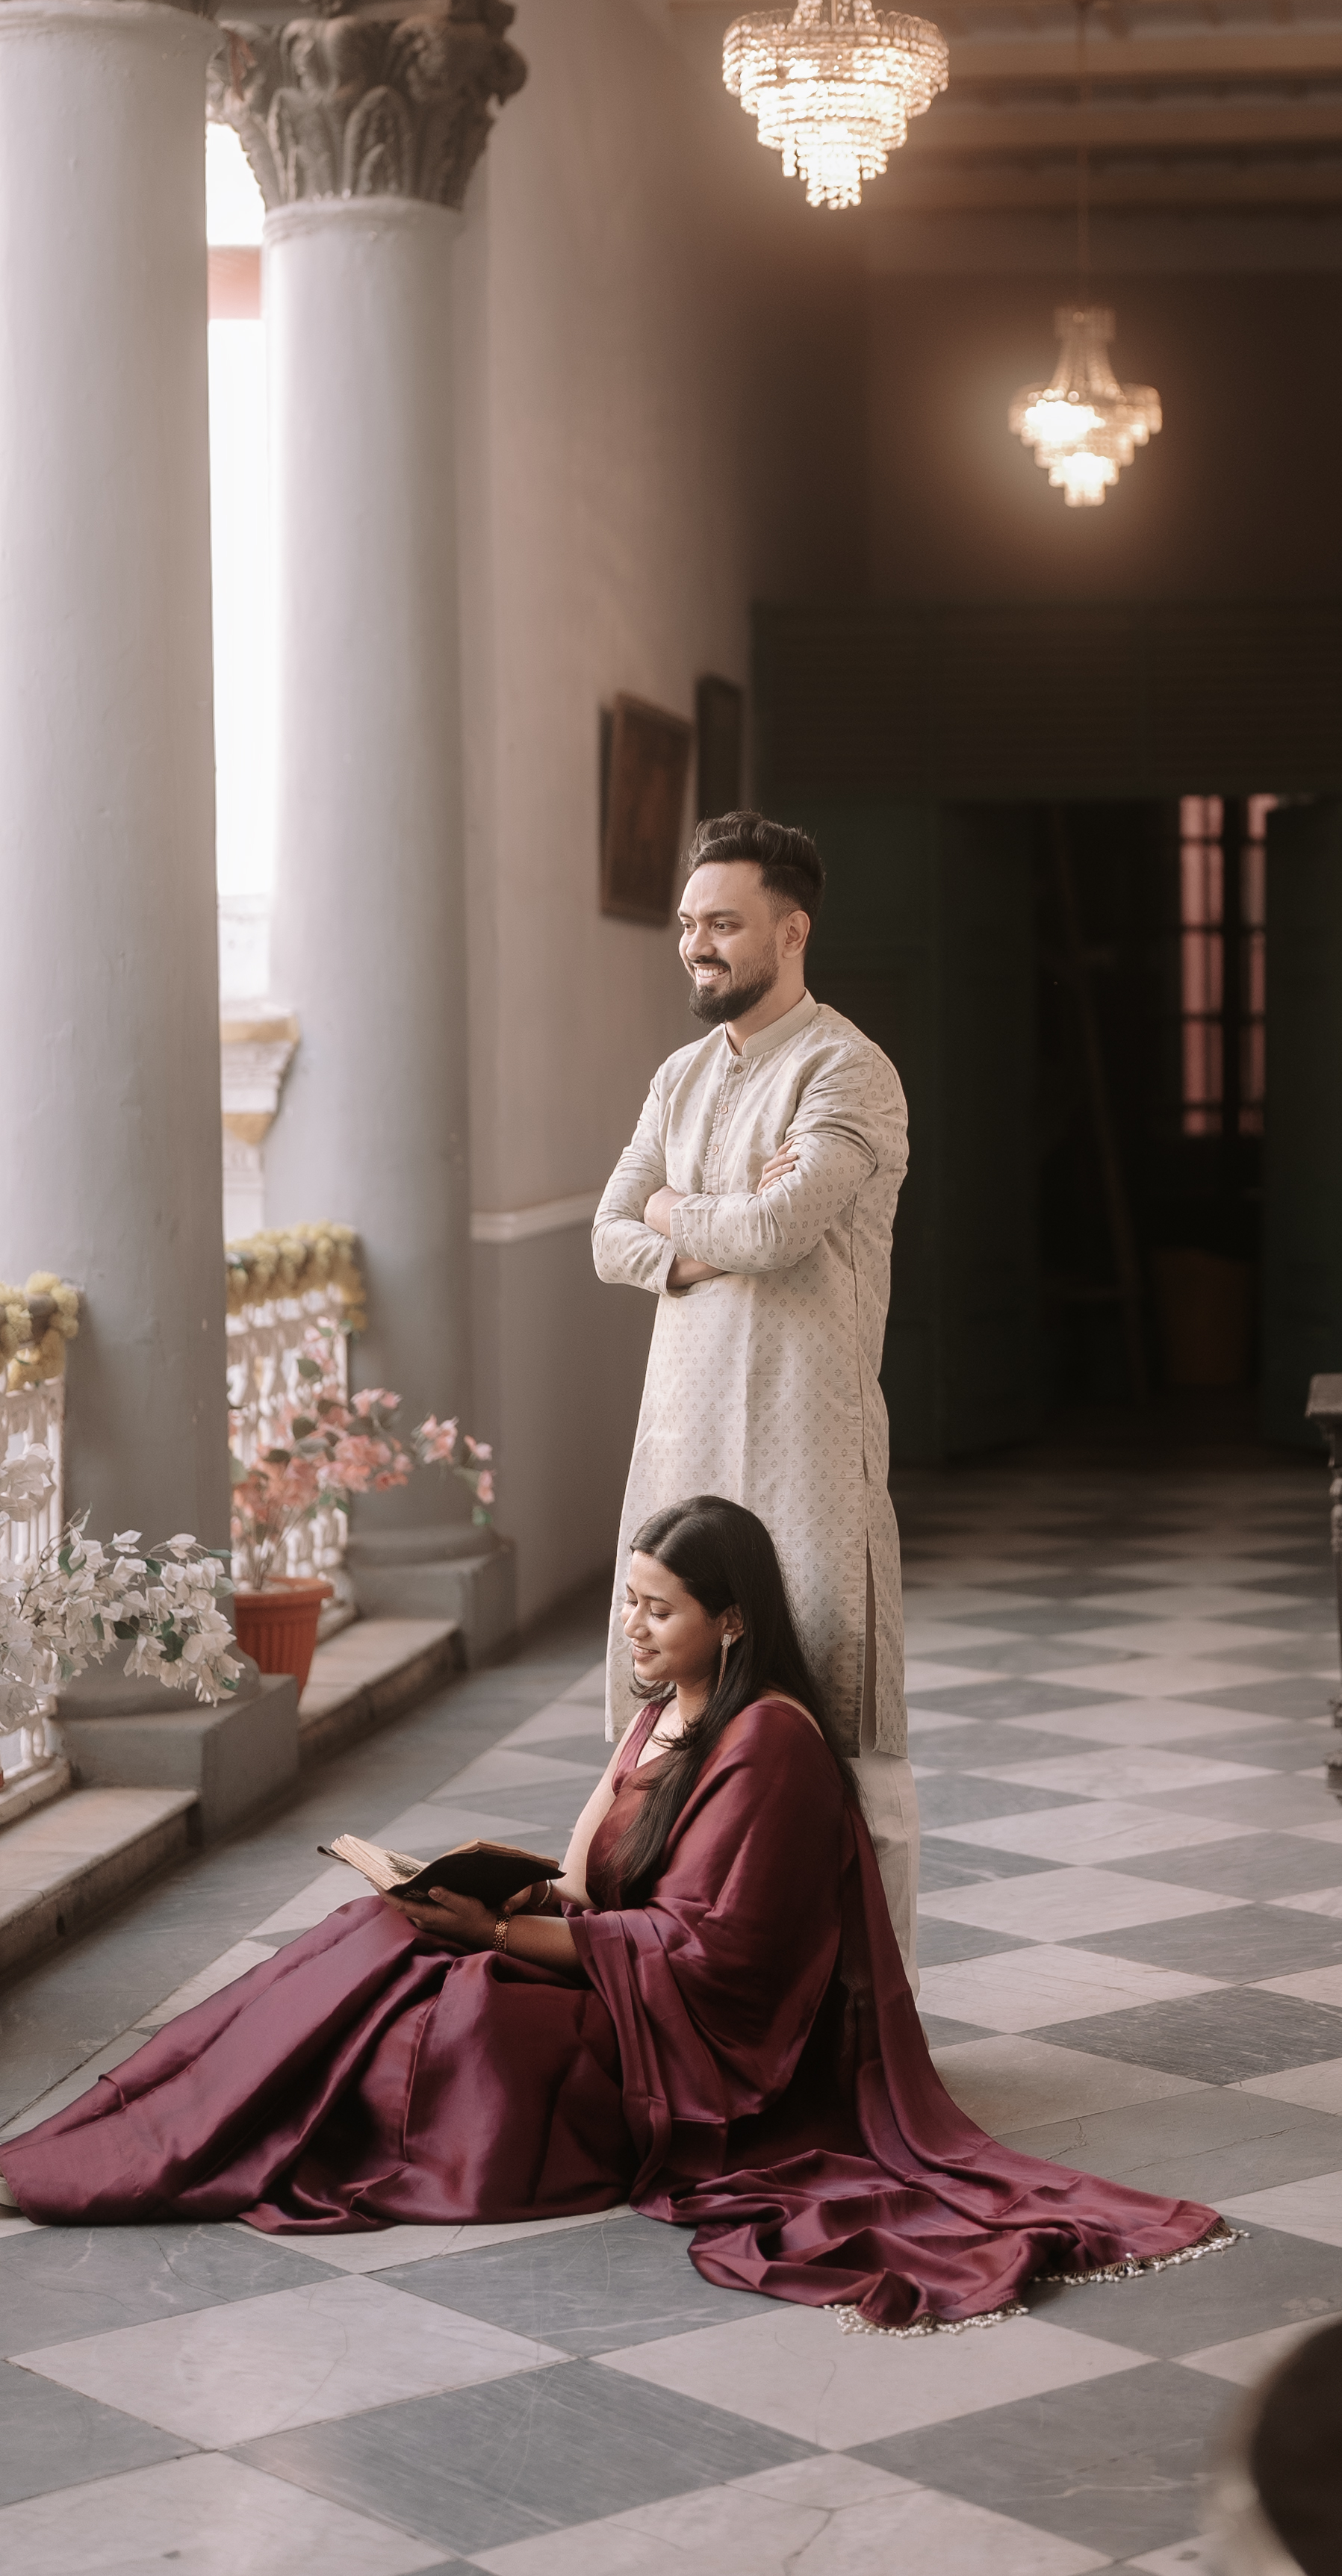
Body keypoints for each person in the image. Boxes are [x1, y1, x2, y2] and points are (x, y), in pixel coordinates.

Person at [0, 1499, 1228, 2330]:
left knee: (462, 2014)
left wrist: (498, 1938)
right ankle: (134, 2137)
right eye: (629, 1603)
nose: (632, 1628)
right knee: (368, 1939)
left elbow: (720, 1962)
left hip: (681, 2055)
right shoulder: (667, 1711)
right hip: (607, 1979)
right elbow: (599, 1885)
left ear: (731, 1619)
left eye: (659, 1609)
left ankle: (202, 2148)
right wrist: (498, 1898)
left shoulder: (772, 1749)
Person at [592, 811, 922, 1975]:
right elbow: (604, 1235)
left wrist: (679, 1212)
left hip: (808, 1463)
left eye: (723, 924)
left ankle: (864, 2032)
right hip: (680, 1444)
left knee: (836, 1732)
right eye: (688, 924)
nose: (698, 945)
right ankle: (680, 1998)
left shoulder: (851, 1071)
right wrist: (696, 1221)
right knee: (663, 1724)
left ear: (793, 931)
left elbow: (782, 1230)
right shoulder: (678, 1078)